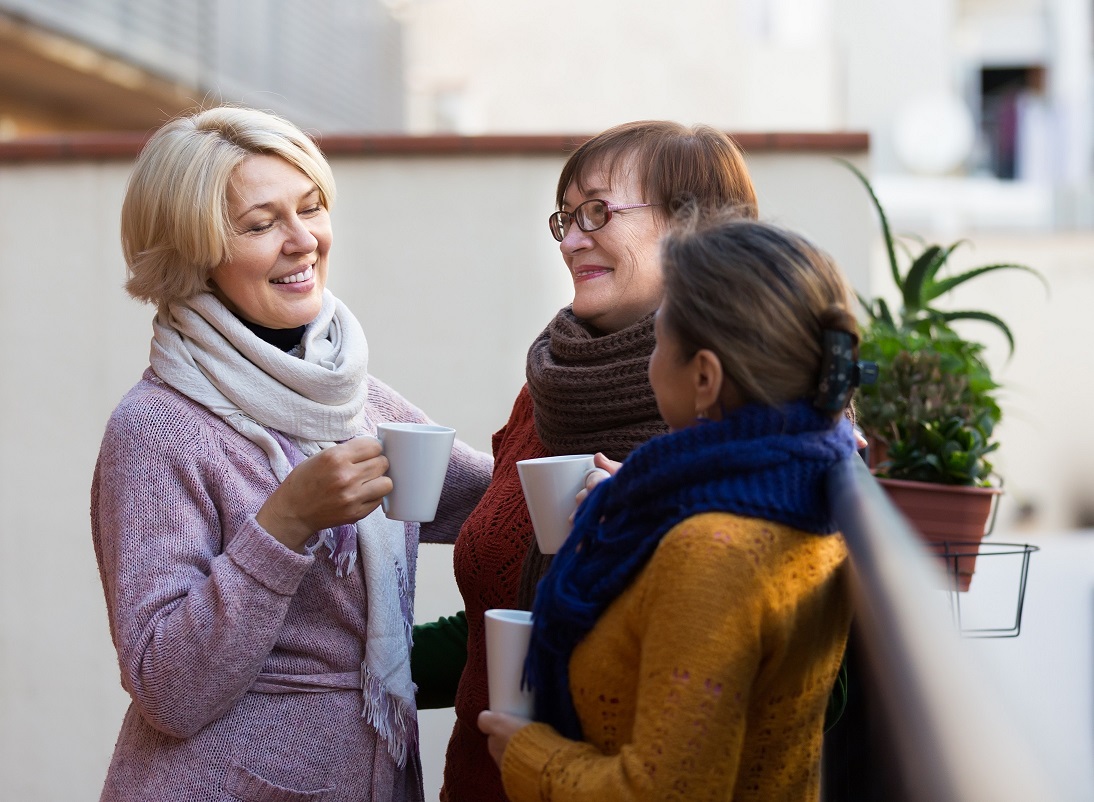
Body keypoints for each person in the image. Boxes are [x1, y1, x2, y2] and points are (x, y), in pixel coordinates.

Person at [90, 105, 492, 802]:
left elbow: (500, 509)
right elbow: (168, 688)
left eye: (311, 208)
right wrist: (285, 525)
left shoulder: (353, 399)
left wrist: (618, 480)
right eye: (260, 224)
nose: (303, 240)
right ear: (193, 253)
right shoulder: (154, 429)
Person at [423, 121, 759, 801]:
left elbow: (808, 677)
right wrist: (344, 668)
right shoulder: (546, 392)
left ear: (693, 229)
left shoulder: (749, 417)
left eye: (599, 212)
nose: (572, 240)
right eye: (566, 218)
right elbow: (503, 609)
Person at [476, 212, 862, 801]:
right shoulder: (807, 493)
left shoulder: (712, 550)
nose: (650, 359)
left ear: (704, 377)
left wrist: (527, 754)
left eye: (659, 340)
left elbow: (661, 792)